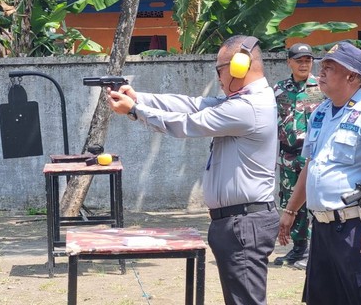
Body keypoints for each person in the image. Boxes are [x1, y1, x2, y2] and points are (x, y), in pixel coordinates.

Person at [107, 35, 279, 305]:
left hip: (243, 222)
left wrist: (136, 111)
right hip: (237, 222)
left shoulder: (248, 106)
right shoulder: (244, 100)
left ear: (239, 67)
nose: (219, 77)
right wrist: (140, 98)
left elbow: (187, 124)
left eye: (220, 69)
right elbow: (191, 104)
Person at [278, 41, 361, 304]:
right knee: (322, 298)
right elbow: (311, 166)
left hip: (355, 228)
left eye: (329, 68)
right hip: (321, 228)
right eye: (323, 67)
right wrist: (290, 210)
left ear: (352, 76)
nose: (320, 73)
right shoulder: (320, 112)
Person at [273, 43, 323, 269]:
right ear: (289, 62)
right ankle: (299, 248)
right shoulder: (279, 90)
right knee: (290, 203)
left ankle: (315, 250)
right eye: (299, 60)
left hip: (313, 156)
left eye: (308, 60)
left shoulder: (322, 87)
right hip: (288, 157)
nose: (304, 64)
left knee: (314, 202)